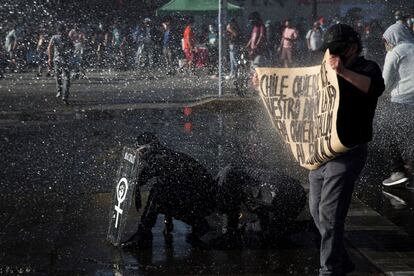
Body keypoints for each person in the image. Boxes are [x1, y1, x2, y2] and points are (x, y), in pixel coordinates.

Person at [121, 133, 306, 249]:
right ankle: (302, 227)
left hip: (285, 196)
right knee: (262, 231)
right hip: (294, 195)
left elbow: (162, 189)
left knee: (257, 232)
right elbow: (166, 184)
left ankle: (145, 235)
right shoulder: (173, 158)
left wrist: (231, 231)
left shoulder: (227, 178)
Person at [310, 24, 384, 275]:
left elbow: (375, 88)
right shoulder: (325, 69)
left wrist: (342, 72)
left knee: (330, 214)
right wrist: (264, 85)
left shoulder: (367, 68)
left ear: (352, 48)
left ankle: (329, 269)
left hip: (348, 151)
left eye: (339, 50)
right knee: (316, 210)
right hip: (322, 151)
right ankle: (342, 261)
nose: (334, 55)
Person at [381, 22, 414, 188]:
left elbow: (384, 83)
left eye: (387, 41)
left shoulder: (395, 52)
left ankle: (397, 171)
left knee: (390, 134)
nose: (386, 45)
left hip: (401, 102)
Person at [48, 23, 73, 105]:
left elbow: (49, 47)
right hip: (65, 60)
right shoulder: (67, 38)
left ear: (58, 31)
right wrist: (70, 53)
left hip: (57, 60)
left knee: (58, 75)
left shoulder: (54, 37)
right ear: (65, 30)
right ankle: (64, 96)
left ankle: (59, 90)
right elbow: (72, 48)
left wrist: (50, 58)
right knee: (66, 78)